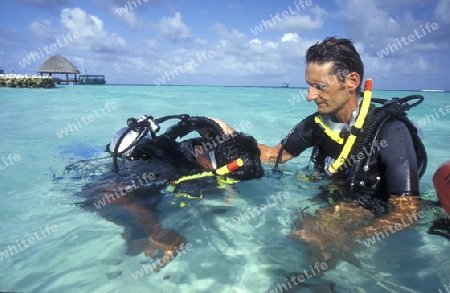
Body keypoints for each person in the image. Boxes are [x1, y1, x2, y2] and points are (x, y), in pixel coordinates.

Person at [214, 36, 428, 264]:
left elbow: (407, 213)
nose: (309, 96)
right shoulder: (317, 124)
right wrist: (228, 135)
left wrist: (348, 237)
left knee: (311, 235)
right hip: (331, 201)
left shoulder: (390, 131)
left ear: (352, 81)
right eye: (309, 85)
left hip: (371, 209)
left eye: (319, 86)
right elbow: (273, 155)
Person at [77, 115, 264, 272]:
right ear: (207, 163)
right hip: (94, 180)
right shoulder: (163, 166)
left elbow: (219, 126)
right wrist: (155, 228)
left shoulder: (215, 146)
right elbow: (100, 192)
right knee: (135, 246)